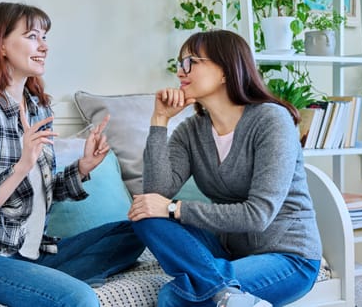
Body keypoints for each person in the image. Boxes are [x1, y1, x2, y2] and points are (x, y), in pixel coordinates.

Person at [0, 2, 144, 307]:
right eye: (33, 36)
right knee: (79, 298)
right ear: (1, 45)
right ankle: (53, 286)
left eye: (45, 37)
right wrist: (21, 166)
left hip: (31, 255)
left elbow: (41, 192)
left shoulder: (38, 108)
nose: (44, 46)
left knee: (138, 230)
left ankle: (40, 283)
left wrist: (83, 168)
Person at [128, 29, 322, 307]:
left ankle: (224, 292)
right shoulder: (191, 131)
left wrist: (175, 208)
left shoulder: (271, 120)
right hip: (230, 254)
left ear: (226, 70)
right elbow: (156, 194)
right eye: (180, 64)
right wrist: (159, 120)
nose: (181, 72)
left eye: (191, 62)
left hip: (288, 257)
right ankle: (229, 295)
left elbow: (258, 215)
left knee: (173, 296)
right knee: (145, 214)